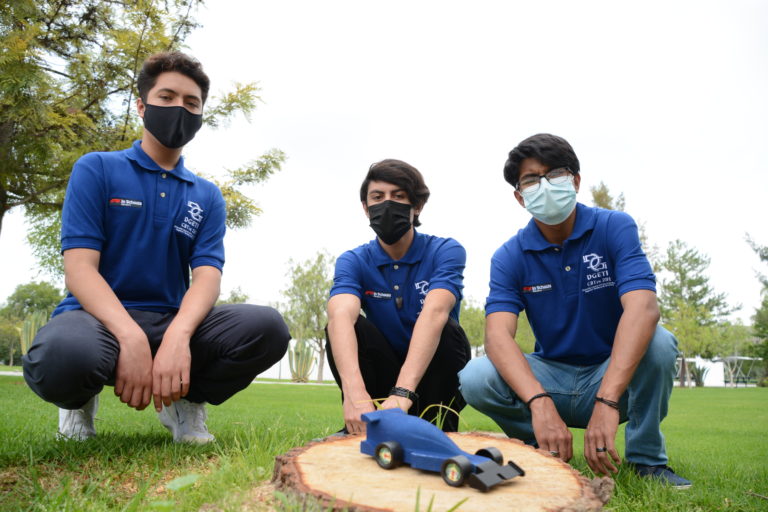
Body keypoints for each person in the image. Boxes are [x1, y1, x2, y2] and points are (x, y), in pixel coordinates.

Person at [22, 52, 290, 443]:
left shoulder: (208, 196)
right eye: (167, 97)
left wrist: (178, 338)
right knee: (62, 356)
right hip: (94, 320)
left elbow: (207, 278)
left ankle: (184, 400)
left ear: (200, 115)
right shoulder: (96, 169)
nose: (180, 107)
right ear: (142, 105)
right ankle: (78, 404)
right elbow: (79, 268)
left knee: (266, 327)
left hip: (169, 320)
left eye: (191, 102)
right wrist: (130, 337)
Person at [458, 133, 691, 488]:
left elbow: (643, 308)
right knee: (476, 376)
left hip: (610, 371)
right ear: (520, 197)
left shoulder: (614, 227)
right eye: (532, 180)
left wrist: (608, 400)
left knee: (659, 343)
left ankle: (646, 461)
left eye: (554, 174)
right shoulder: (509, 256)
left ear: (576, 181)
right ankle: (542, 451)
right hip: (551, 375)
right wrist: (538, 402)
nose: (545, 185)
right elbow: (496, 336)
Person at [326, 159, 471, 433]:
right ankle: (362, 420)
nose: (387, 204)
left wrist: (403, 393)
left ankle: (437, 423)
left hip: (433, 375)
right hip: (383, 378)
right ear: (366, 208)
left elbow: (435, 312)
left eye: (399, 196)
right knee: (344, 323)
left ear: (417, 206)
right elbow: (340, 314)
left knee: (448, 329)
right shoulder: (353, 260)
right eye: (378, 197)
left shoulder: (445, 251)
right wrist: (355, 393)